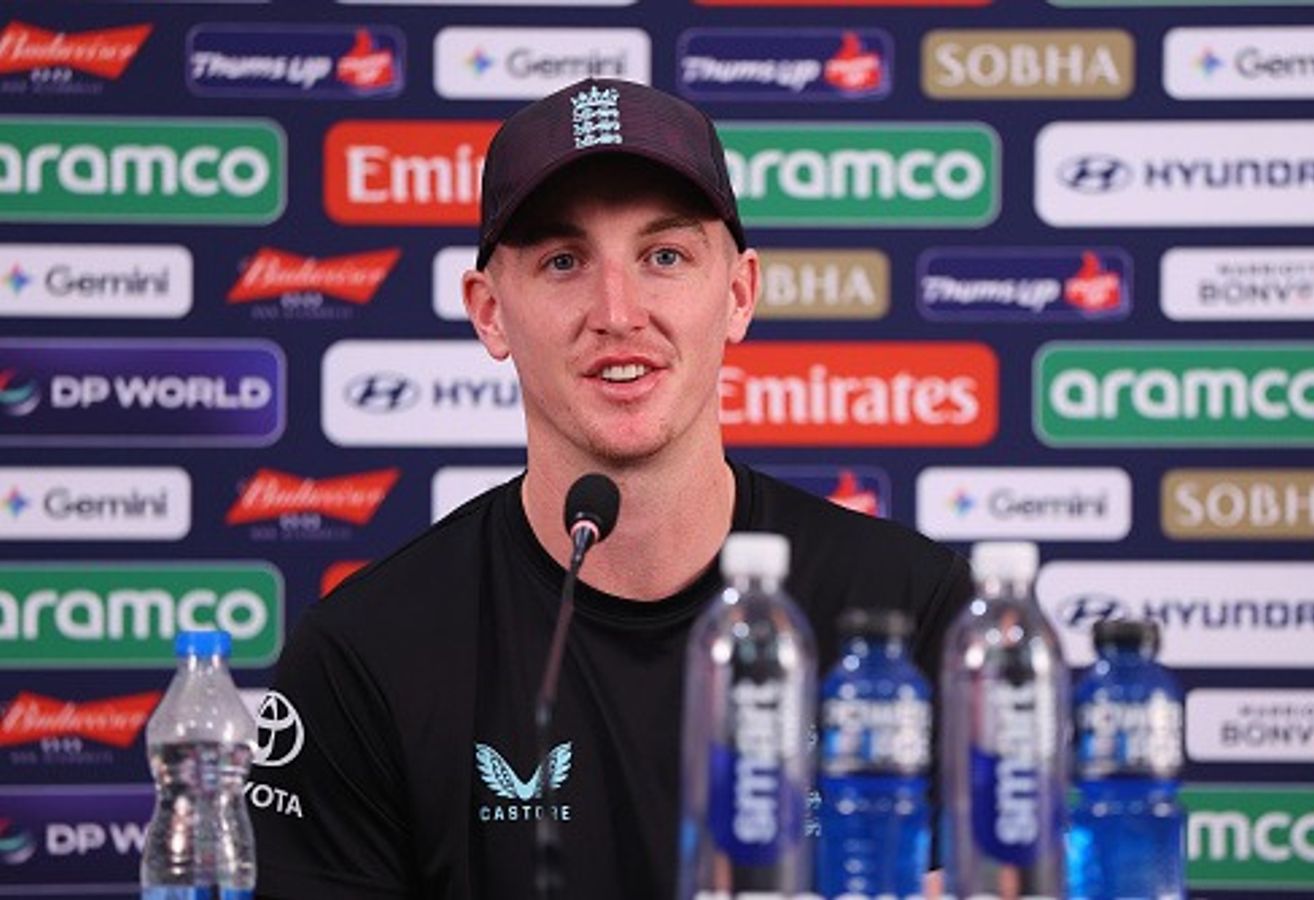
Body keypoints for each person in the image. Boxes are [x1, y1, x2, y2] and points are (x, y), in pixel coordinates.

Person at [248, 78, 972, 899]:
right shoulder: (365, 654)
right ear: (490, 313)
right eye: (564, 262)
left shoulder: (918, 608)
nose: (618, 312)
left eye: (664, 257)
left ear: (737, 294)